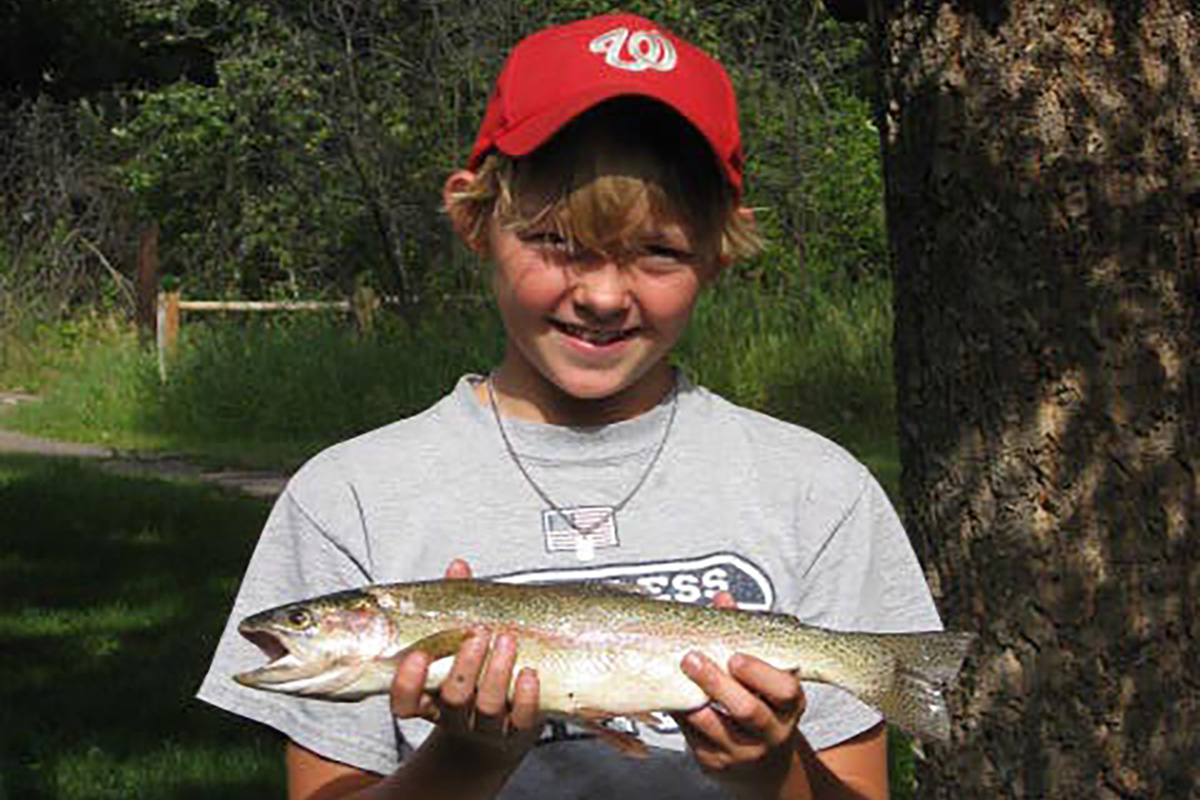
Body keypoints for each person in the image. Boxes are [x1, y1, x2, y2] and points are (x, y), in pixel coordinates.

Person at [198, 12, 943, 800]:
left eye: (657, 252)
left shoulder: (819, 492)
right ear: (476, 219)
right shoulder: (346, 499)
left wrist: (768, 770)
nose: (601, 294)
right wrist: (467, 760)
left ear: (720, 254)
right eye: (557, 242)